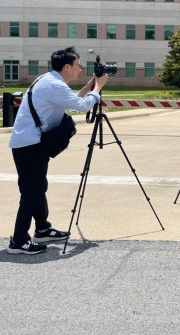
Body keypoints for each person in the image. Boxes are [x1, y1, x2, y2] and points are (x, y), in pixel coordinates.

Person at [7, 47, 108, 255]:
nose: (80, 69)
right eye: (79, 65)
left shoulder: (50, 81)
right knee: (31, 192)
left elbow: (70, 104)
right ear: (67, 67)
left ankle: (43, 228)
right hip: (30, 144)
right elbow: (81, 107)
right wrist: (97, 89)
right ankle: (18, 241)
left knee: (37, 187)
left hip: (30, 142)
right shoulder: (53, 84)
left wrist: (90, 86)